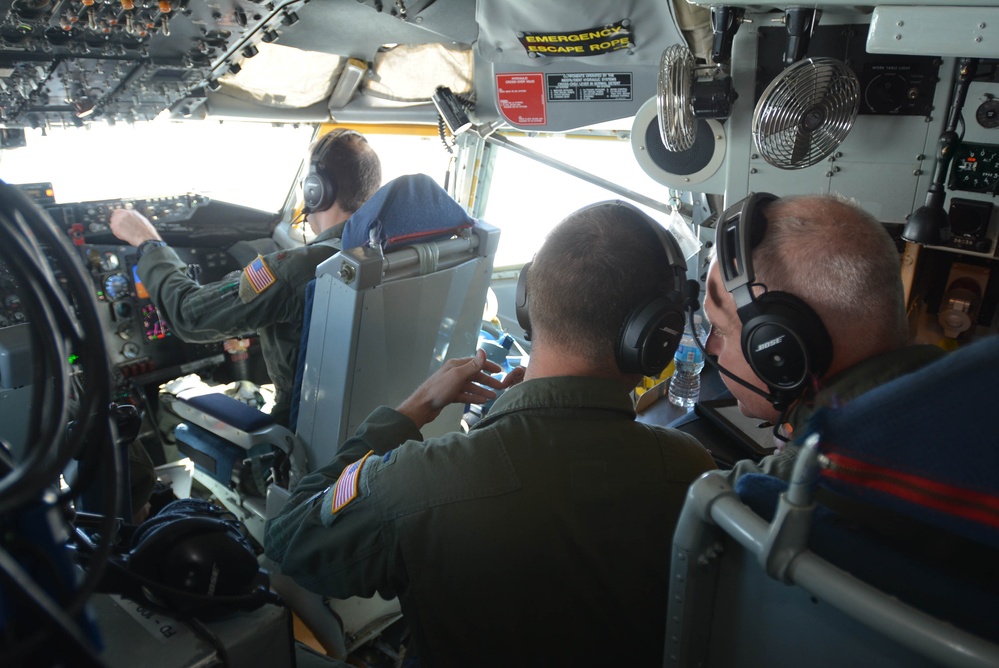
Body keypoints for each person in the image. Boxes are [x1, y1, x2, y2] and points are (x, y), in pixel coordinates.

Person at [264, 201, 716, 667]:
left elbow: (289, 539)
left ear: (525, 301)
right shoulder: (691, 472)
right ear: (657, 339)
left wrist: (411, 411)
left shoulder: (415, 482)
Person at [109, 129, 382, 427]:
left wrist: (148, 243)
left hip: (301, 440)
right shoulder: (392, 254)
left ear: (316, 191)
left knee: (175, 402)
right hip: (370, 427)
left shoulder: (296, 268)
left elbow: (188, 315)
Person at [701, 193, 946, 482]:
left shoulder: (771, 500)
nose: (710, 348)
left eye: (720, 329)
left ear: (777, 348)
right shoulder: (960, 387)